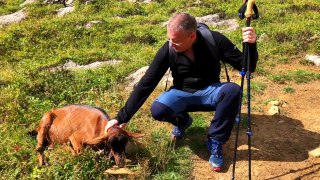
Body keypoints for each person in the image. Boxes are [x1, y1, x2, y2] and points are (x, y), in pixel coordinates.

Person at [106, 12, 258, 172]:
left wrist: (251, 45)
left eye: (176, 40)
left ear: (192, 36)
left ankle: (215, 140)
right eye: (170, 39)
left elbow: (247, 66)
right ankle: (183, 122)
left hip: (210, 91)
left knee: (232, 90)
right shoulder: (168, 48)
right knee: (158, 109)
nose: (171, 44)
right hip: (182, 93)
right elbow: (147, 82)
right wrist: (122, 117)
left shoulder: (214, 40)